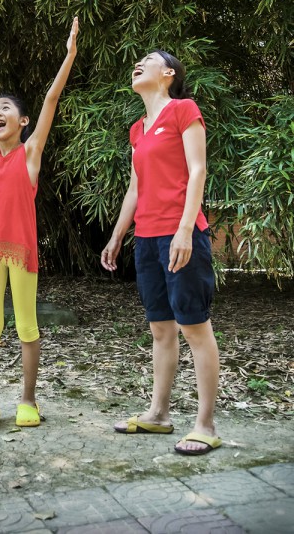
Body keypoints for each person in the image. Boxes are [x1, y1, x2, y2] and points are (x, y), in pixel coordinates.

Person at [0, 17, 79, 430]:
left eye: (4, 108)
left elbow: (49, 100)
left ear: (22, 122)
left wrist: (70, 55)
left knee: (26, 322)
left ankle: (28, 399)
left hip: (22, 250)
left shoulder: (30, 154)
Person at [101, 51, 221, 456]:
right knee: (161, 329)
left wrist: (186, 229)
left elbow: (197, 170)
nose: (137, 62)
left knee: (194, 327)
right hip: (148, 239)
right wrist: (118, 235)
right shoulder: (139, 129)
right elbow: (135, 188)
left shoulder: (183, 110)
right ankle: (159, 414)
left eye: (148, 59)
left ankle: (205, 424)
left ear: (168, 74)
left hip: (181, 233)